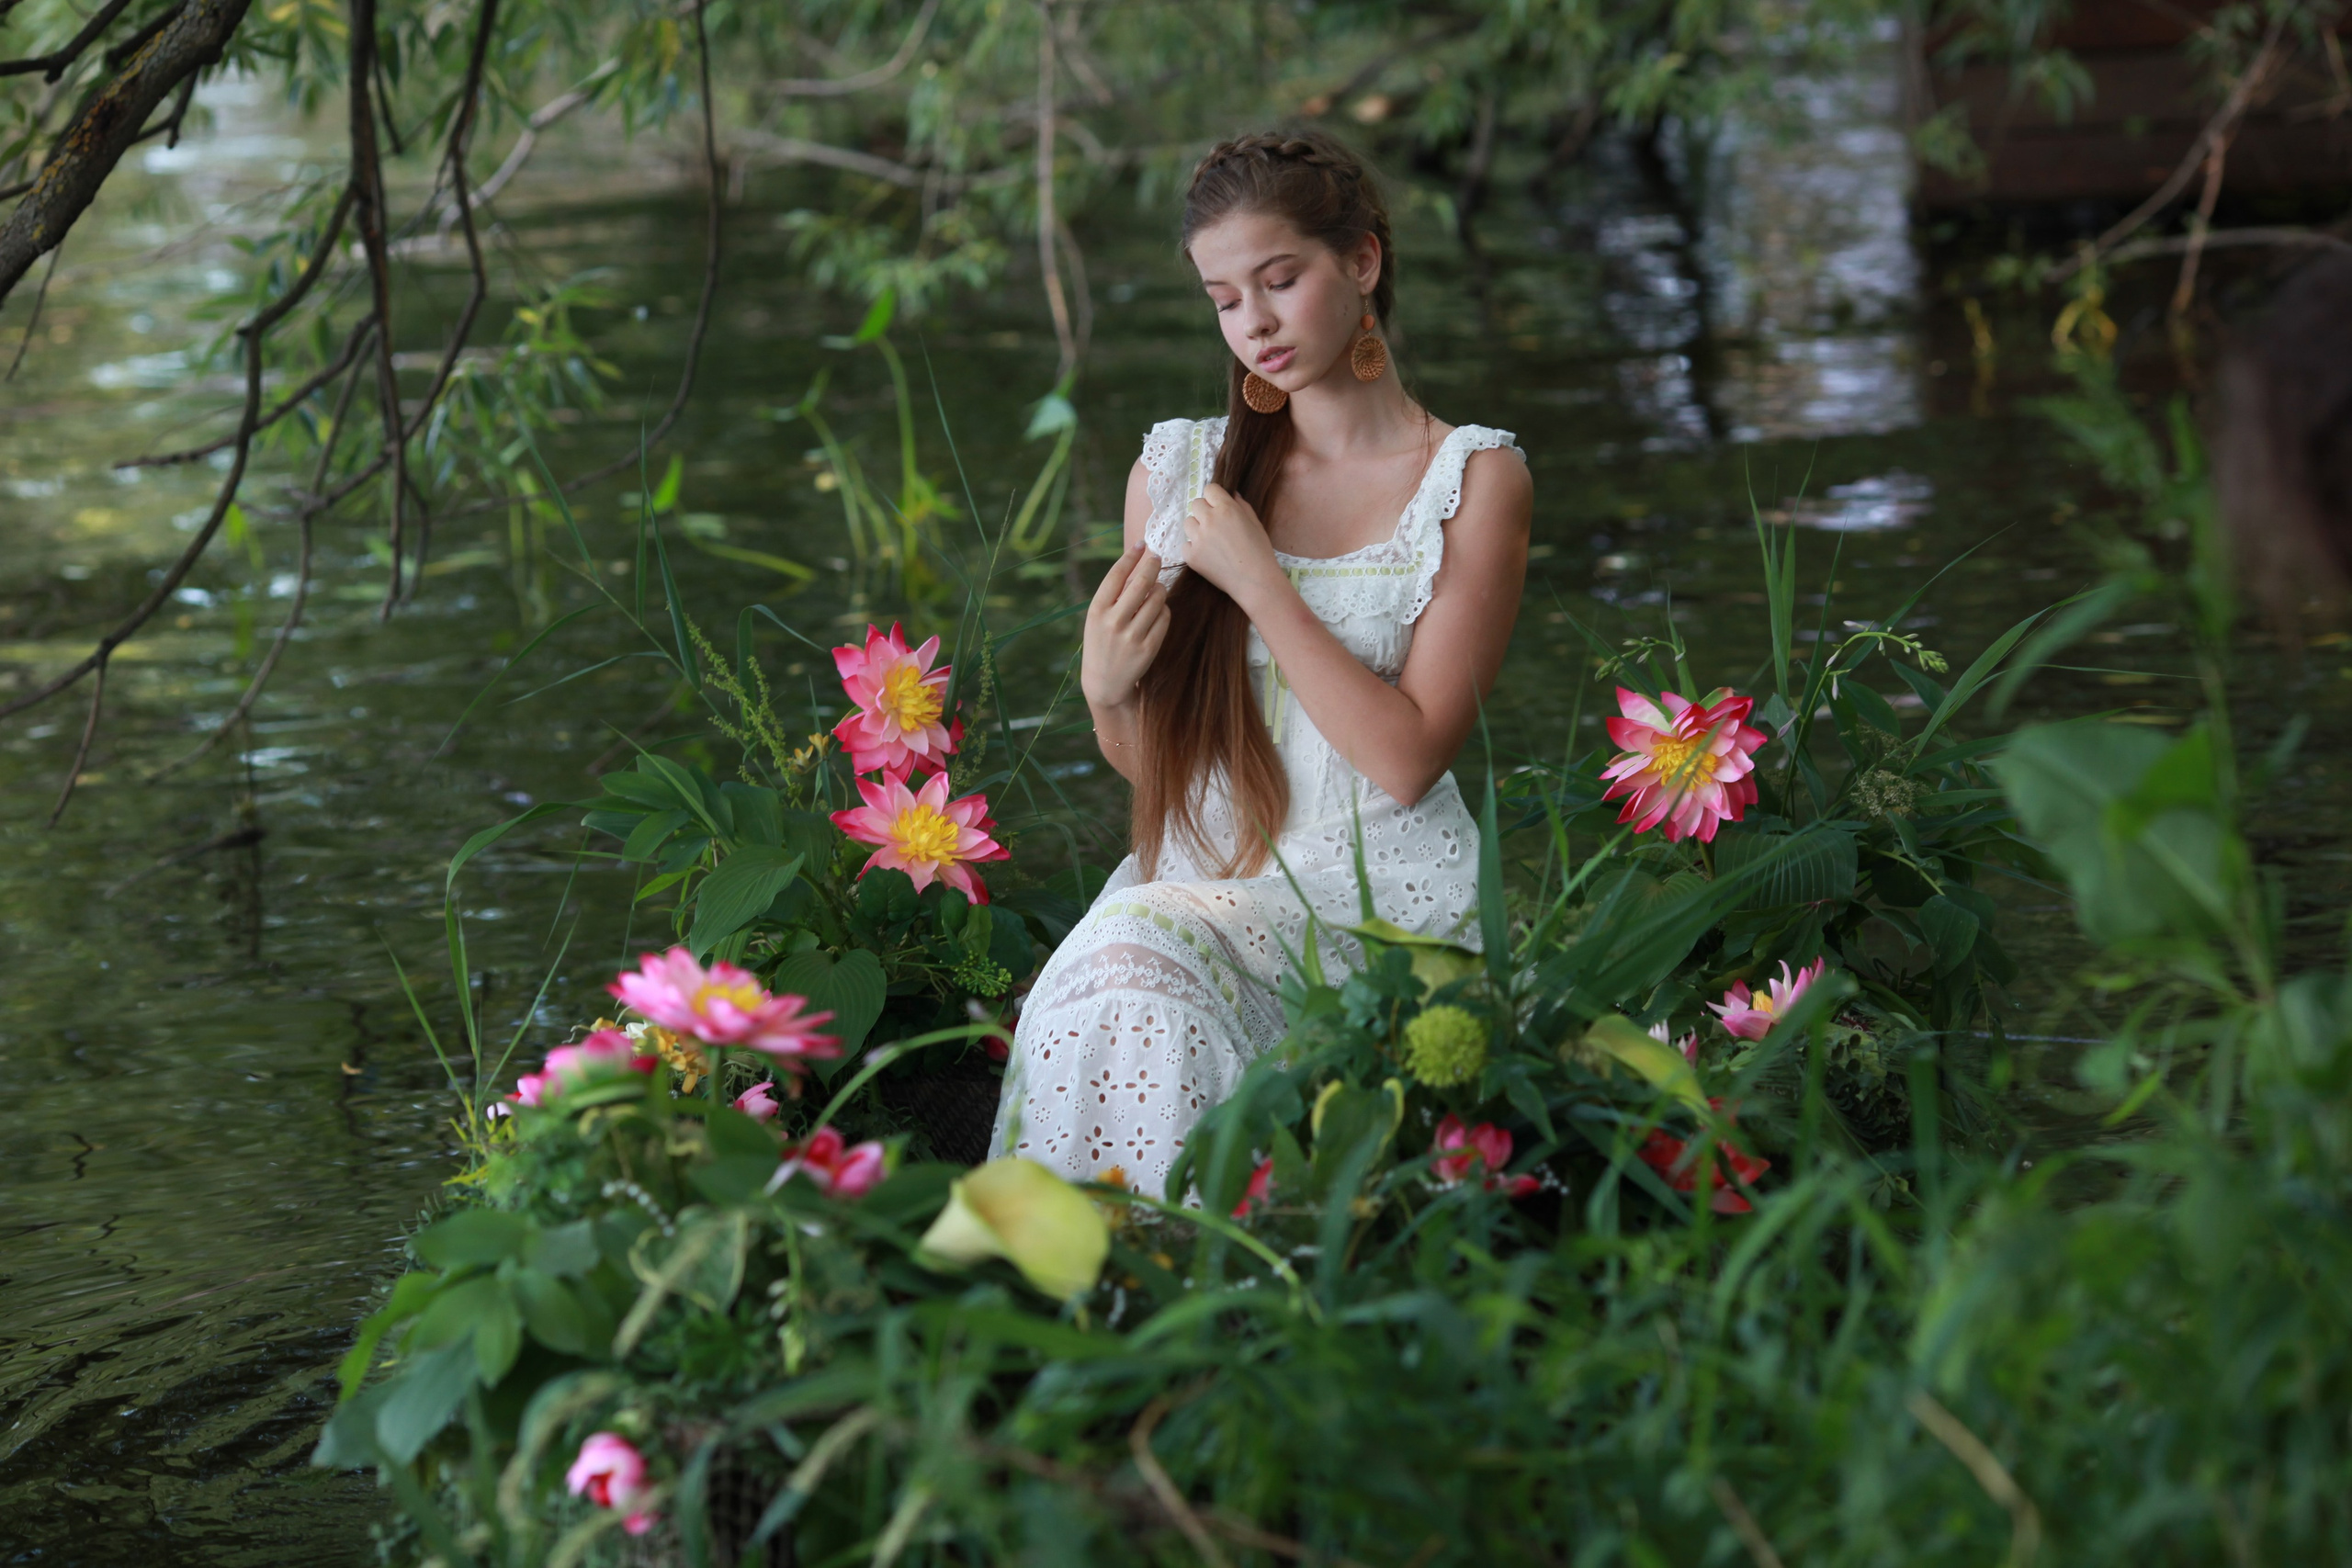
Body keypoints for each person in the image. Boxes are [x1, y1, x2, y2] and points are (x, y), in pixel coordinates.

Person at [988, 130, 1533, 1197]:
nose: (1256, 325)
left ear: (1362, 263)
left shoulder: (1472, 477)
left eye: (1280, 281)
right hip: (1212, 887)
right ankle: (1118, 1282)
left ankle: (1207, 1281)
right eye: (1226, 299)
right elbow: (1173, 781)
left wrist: (1260, 584)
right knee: (1114, 964)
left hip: (1384, 904)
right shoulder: (1180, 471)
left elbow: (1407, 759)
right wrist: (1104, 692)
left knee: (1133, 950)